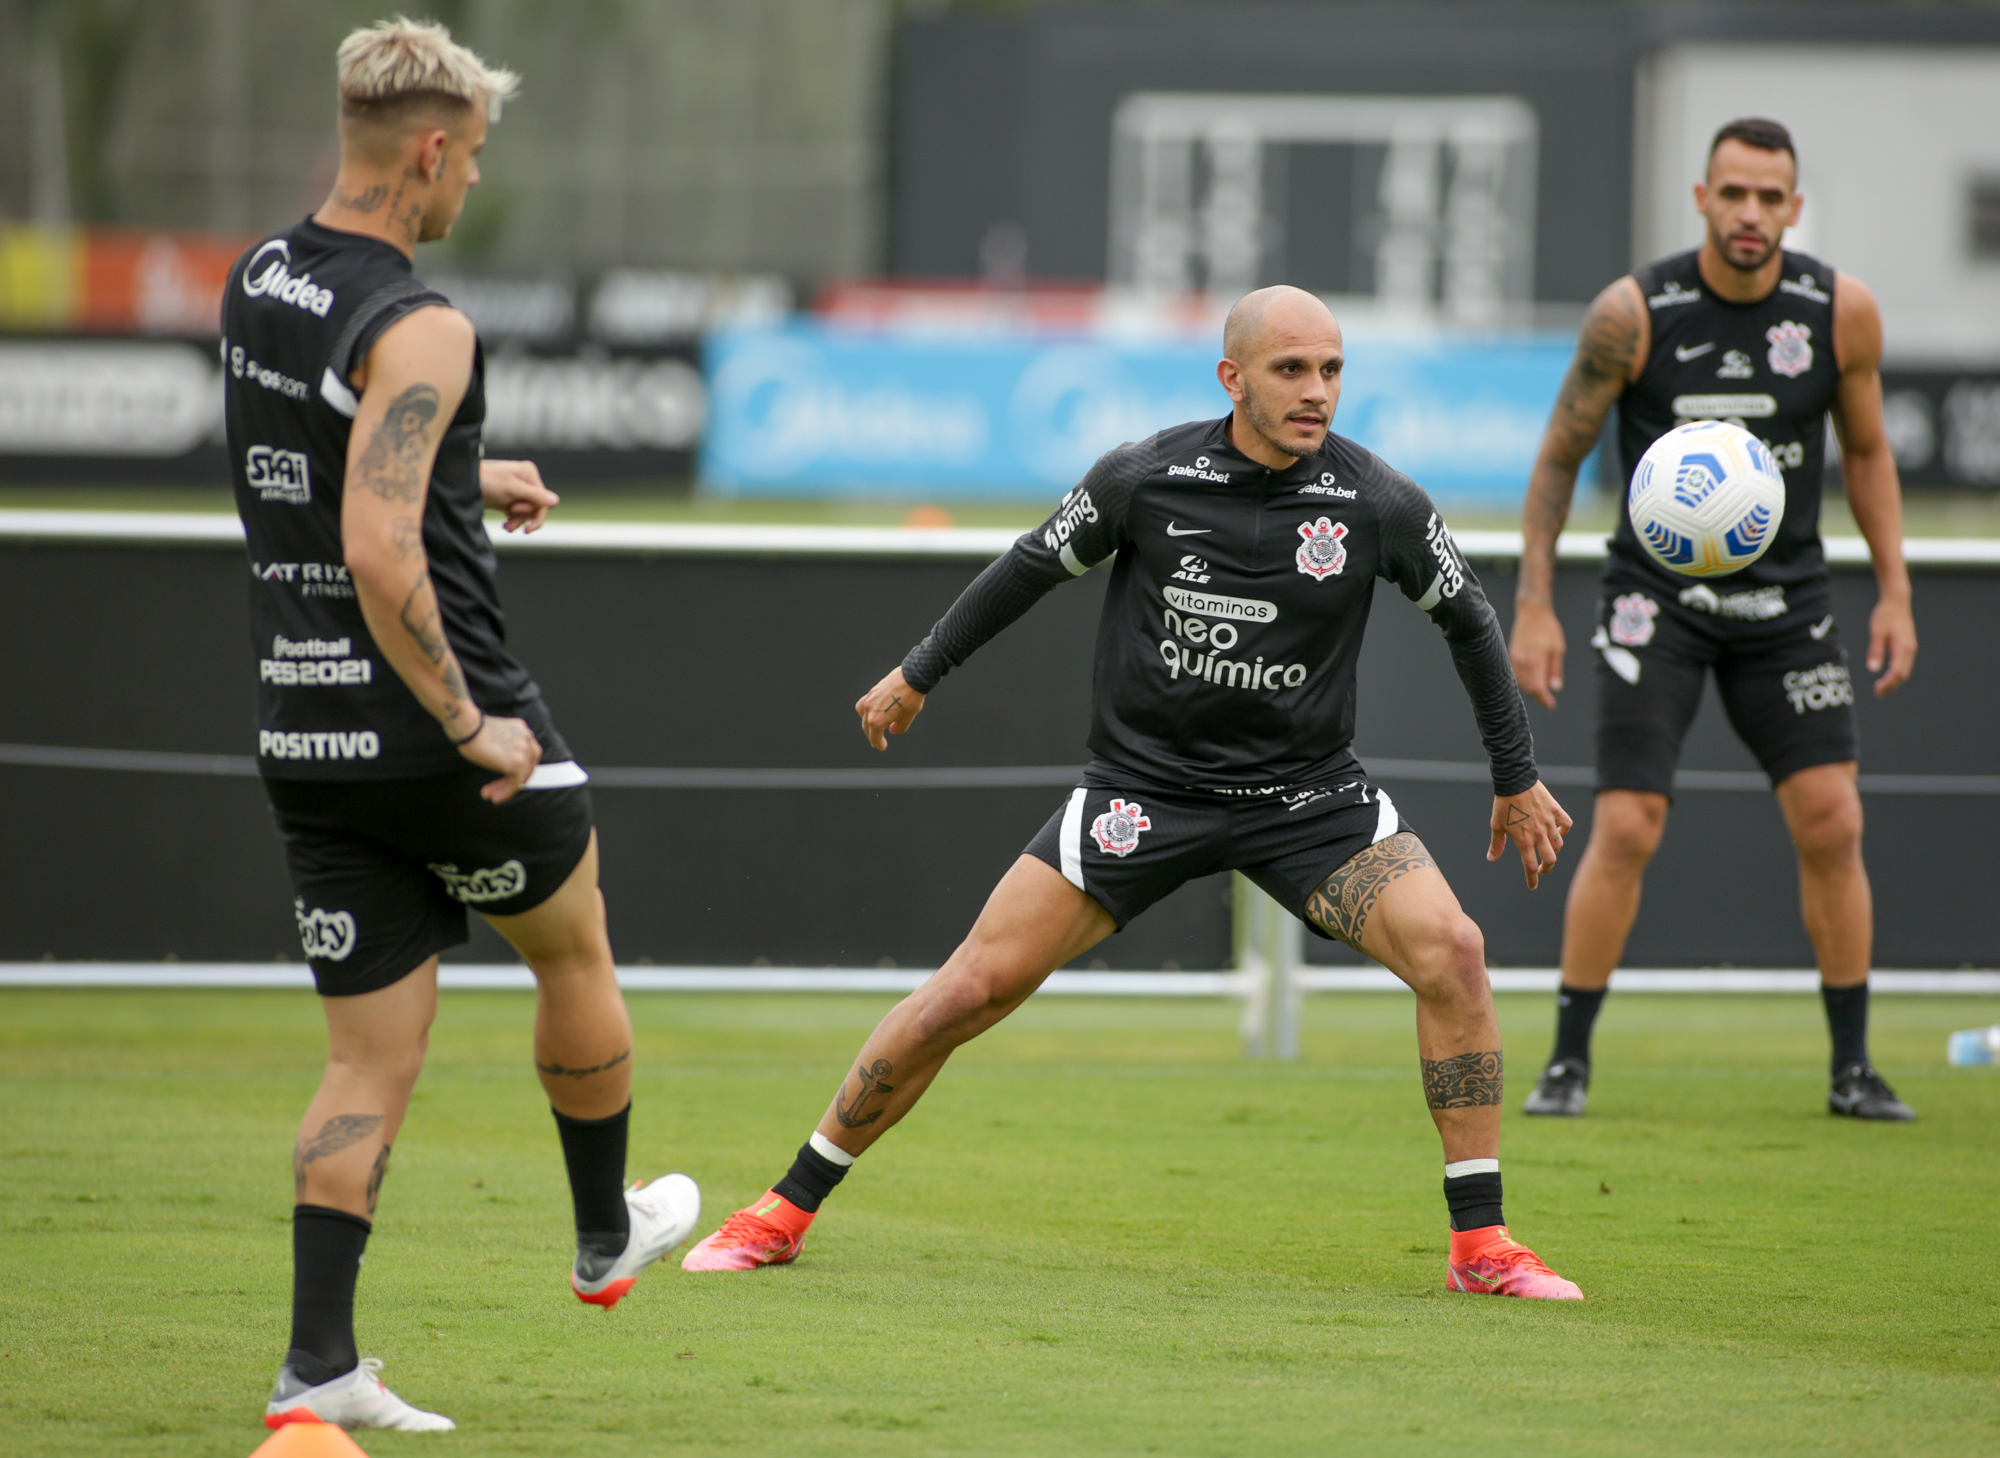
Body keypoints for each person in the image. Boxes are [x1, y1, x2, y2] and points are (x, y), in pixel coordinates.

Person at [680, 285, 1583, 1301]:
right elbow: (1028, 568)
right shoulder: (1145, 477)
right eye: (1290, 369)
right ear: (1231, 378)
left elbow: (1469, 621)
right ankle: (781, 1212)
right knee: (968, 991)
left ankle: (1481, 1246)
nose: (1316, 391)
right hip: (1143, 797)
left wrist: (1516, 778)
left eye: (1331, 370)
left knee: (1454, 952)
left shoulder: (1376, 501)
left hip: (1308, 802)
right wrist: (918, 672)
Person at [223, 20, 698, 1433]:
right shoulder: (423, 322)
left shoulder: (262, 276)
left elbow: (318, 464)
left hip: (305, 731)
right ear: (430, 148)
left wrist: (462, 474)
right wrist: (470, 721)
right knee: (575, 946)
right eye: (475, 155)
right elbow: (378, 548)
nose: (474, 180)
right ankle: (606, 1233)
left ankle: (318, 1368)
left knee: (364, 1061)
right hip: (443, 731)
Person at [1509, 117, 1918, 1122]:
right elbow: (1559, 455)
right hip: (1654, 603)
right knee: (1626, 824)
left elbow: (1867, 455)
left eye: (1769, 197)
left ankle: (1852, 1069)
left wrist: (1896, 591)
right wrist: (1534, 603)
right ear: (1700, 198)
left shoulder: (1839, 311)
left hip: (1787, 604)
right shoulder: (1633, 313)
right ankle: (1566, 1062)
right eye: (1731, 193)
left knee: (1833, 820)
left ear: (1793, 207)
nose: (1749, 213)